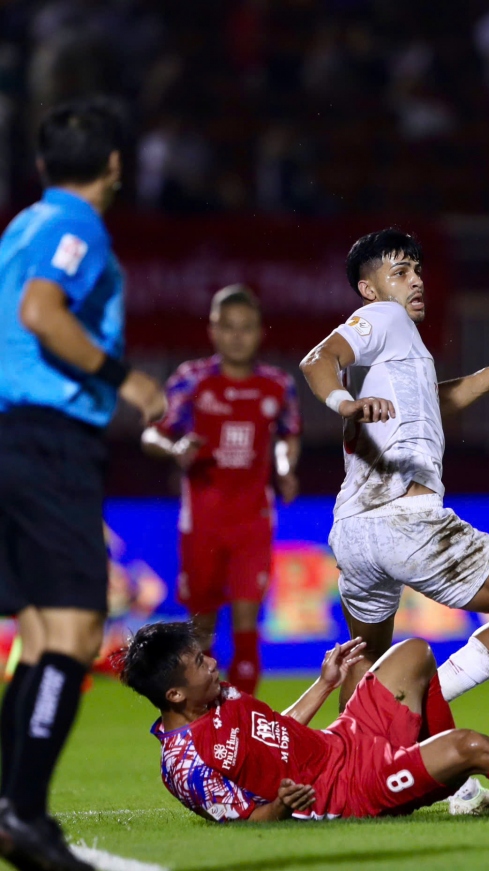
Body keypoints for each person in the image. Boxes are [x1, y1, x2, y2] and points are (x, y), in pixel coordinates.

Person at [0, 98, 167, 870]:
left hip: (11, 436)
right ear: (114, 166)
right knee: (73, 631)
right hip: (47, 439)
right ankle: (24, 814)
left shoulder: (21, 226)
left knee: (37, 633)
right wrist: (125, 379)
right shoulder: (77, 225)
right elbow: (43, 311)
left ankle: (10, 806)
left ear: (40, 165)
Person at [299, 228, 489, 709]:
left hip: (355, 534)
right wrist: (344, 403)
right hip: (407, 522)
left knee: (365, 664)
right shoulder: (384, 317)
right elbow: (318, 360)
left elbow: (436, 402)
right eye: (400, 272)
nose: (416, 280)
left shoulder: (398, 350)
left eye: (417, 270)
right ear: (369, 289)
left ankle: (348, 770)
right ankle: (419, 705)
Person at [119, 622, 489, 821]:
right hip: (345, 792)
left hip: (341, 742)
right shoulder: (186, 765)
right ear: (173, 692)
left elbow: (274, 727)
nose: (211, 663)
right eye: (198, 662)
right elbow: (242, 823)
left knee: (413, 653)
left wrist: (325, 683)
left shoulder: (218, 700)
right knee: (468, 746)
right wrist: (281, 807)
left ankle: (448, 786)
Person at [141, 285, 302, 696]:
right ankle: (206, 721)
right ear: (213, 330)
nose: (237, 336)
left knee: (247, 621)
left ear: (259, 332)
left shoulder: (278, 386)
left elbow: (287, 435)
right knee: (203, 628)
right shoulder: (192, 381)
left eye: (245, 328)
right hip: (204, 520)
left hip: (253, 519)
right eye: (227, 327)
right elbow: (151, 435)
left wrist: (284, 468)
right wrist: (175, 447)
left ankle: (244, 719)